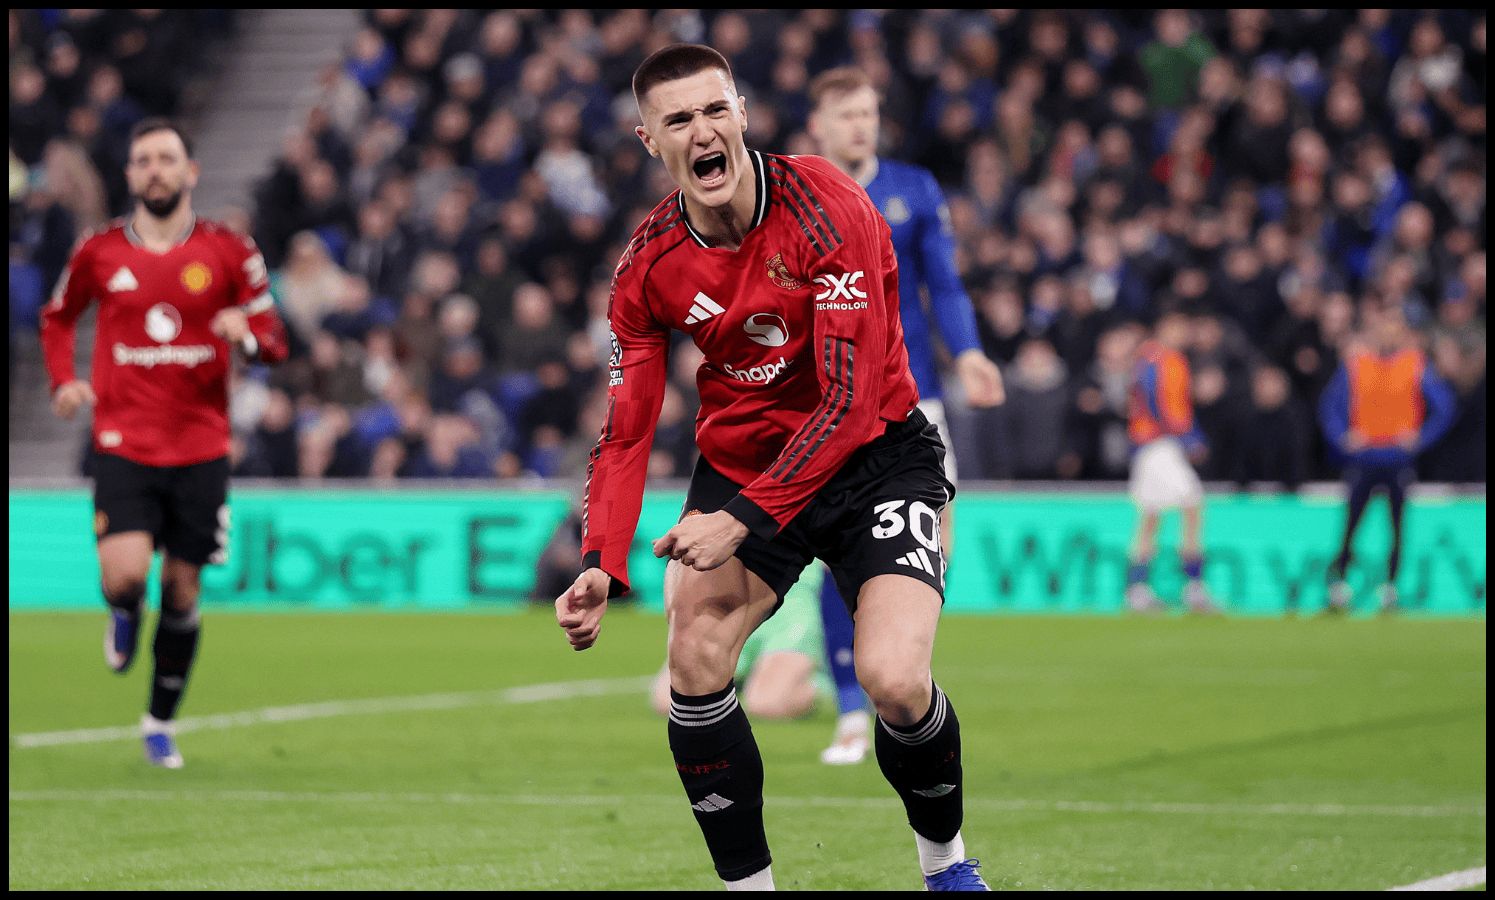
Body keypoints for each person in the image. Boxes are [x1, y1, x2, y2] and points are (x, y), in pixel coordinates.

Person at [555, 45, 988, 891]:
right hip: (744, 465)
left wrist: (743, 518)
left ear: (742, 112)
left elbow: (850, 398)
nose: (702, 131)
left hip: (876, 457)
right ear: (650, 142)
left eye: (714, 110)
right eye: (677, 120)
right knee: (694, 662)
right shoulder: (647, 265)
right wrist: (600, 559)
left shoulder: (829, 206)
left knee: (894, 680)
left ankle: (945, 867)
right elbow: (625, 429)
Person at [40, 118, 289, 768]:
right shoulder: (99, 252)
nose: (155, 169)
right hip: (122, 440)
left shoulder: (230, 251)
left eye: (167, 158)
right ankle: (123, 611)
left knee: (182, 590)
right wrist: (64, 381)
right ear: (129, 175)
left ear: (190, 172)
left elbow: (275, 341)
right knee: (125, 575)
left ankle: (158, 722)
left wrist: (247, 336)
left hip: (202, 446)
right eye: (143, 159)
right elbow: (58, 317)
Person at [806, 66, 1004, 766]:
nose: (861, 124)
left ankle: (902, 680)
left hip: (912, 398)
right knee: (834, 554)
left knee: (924, 546)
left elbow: (943, 284)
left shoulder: (913, 190)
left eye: (868, 112)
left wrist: (971, 353)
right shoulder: (794, 194)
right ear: (819, 126)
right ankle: (851, 709)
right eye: (847, 114)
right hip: (826, 404)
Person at [1318, 305, 1455, 613]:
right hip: (1364, 458)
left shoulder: (1416, 365)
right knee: (1351, 525)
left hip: (1397, 458)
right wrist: (1343, 436)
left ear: (1403, 333)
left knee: (1396, 527)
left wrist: (1421, 438)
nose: (1387, 334)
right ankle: (1339, 587)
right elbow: (1330, 407)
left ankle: (1390, 589)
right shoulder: (1356, 365)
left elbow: (1444, 408)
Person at [1123, 309, 1222, 615]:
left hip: (1149, 445)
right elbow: (1159, 402)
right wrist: (1188, 437)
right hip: (1159, 444)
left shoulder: (1153, 358)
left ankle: (1136, 589)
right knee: (1192, 502)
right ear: (1167, 326)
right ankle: (1194, 588)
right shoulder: (1161, 359)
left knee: (1151, 517)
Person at [651, 568, 828, 722]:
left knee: (767, 705)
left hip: (793, 608)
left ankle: (825, 679)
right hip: (730, 604)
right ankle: (750, 678)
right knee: (670, 702)